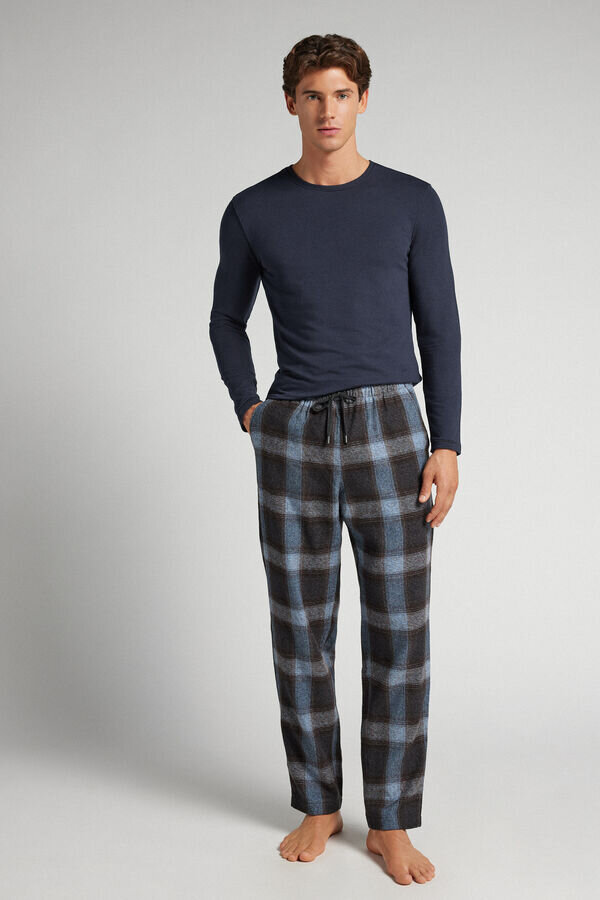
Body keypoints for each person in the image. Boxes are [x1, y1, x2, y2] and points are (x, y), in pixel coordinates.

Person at [209, 33, 461, 886]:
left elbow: (441, 328)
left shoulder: (412, 201)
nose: (328, 110)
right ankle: (319, 802)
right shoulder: (254, 209)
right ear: (290, 102)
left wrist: (447, 441)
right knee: (300, 630)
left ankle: (390, 820)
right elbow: (225, 318)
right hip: (294, 435)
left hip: (393, 427)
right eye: (312, 94)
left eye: (342, 93)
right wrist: (252, 410)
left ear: (363, 100)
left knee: (400, 632)